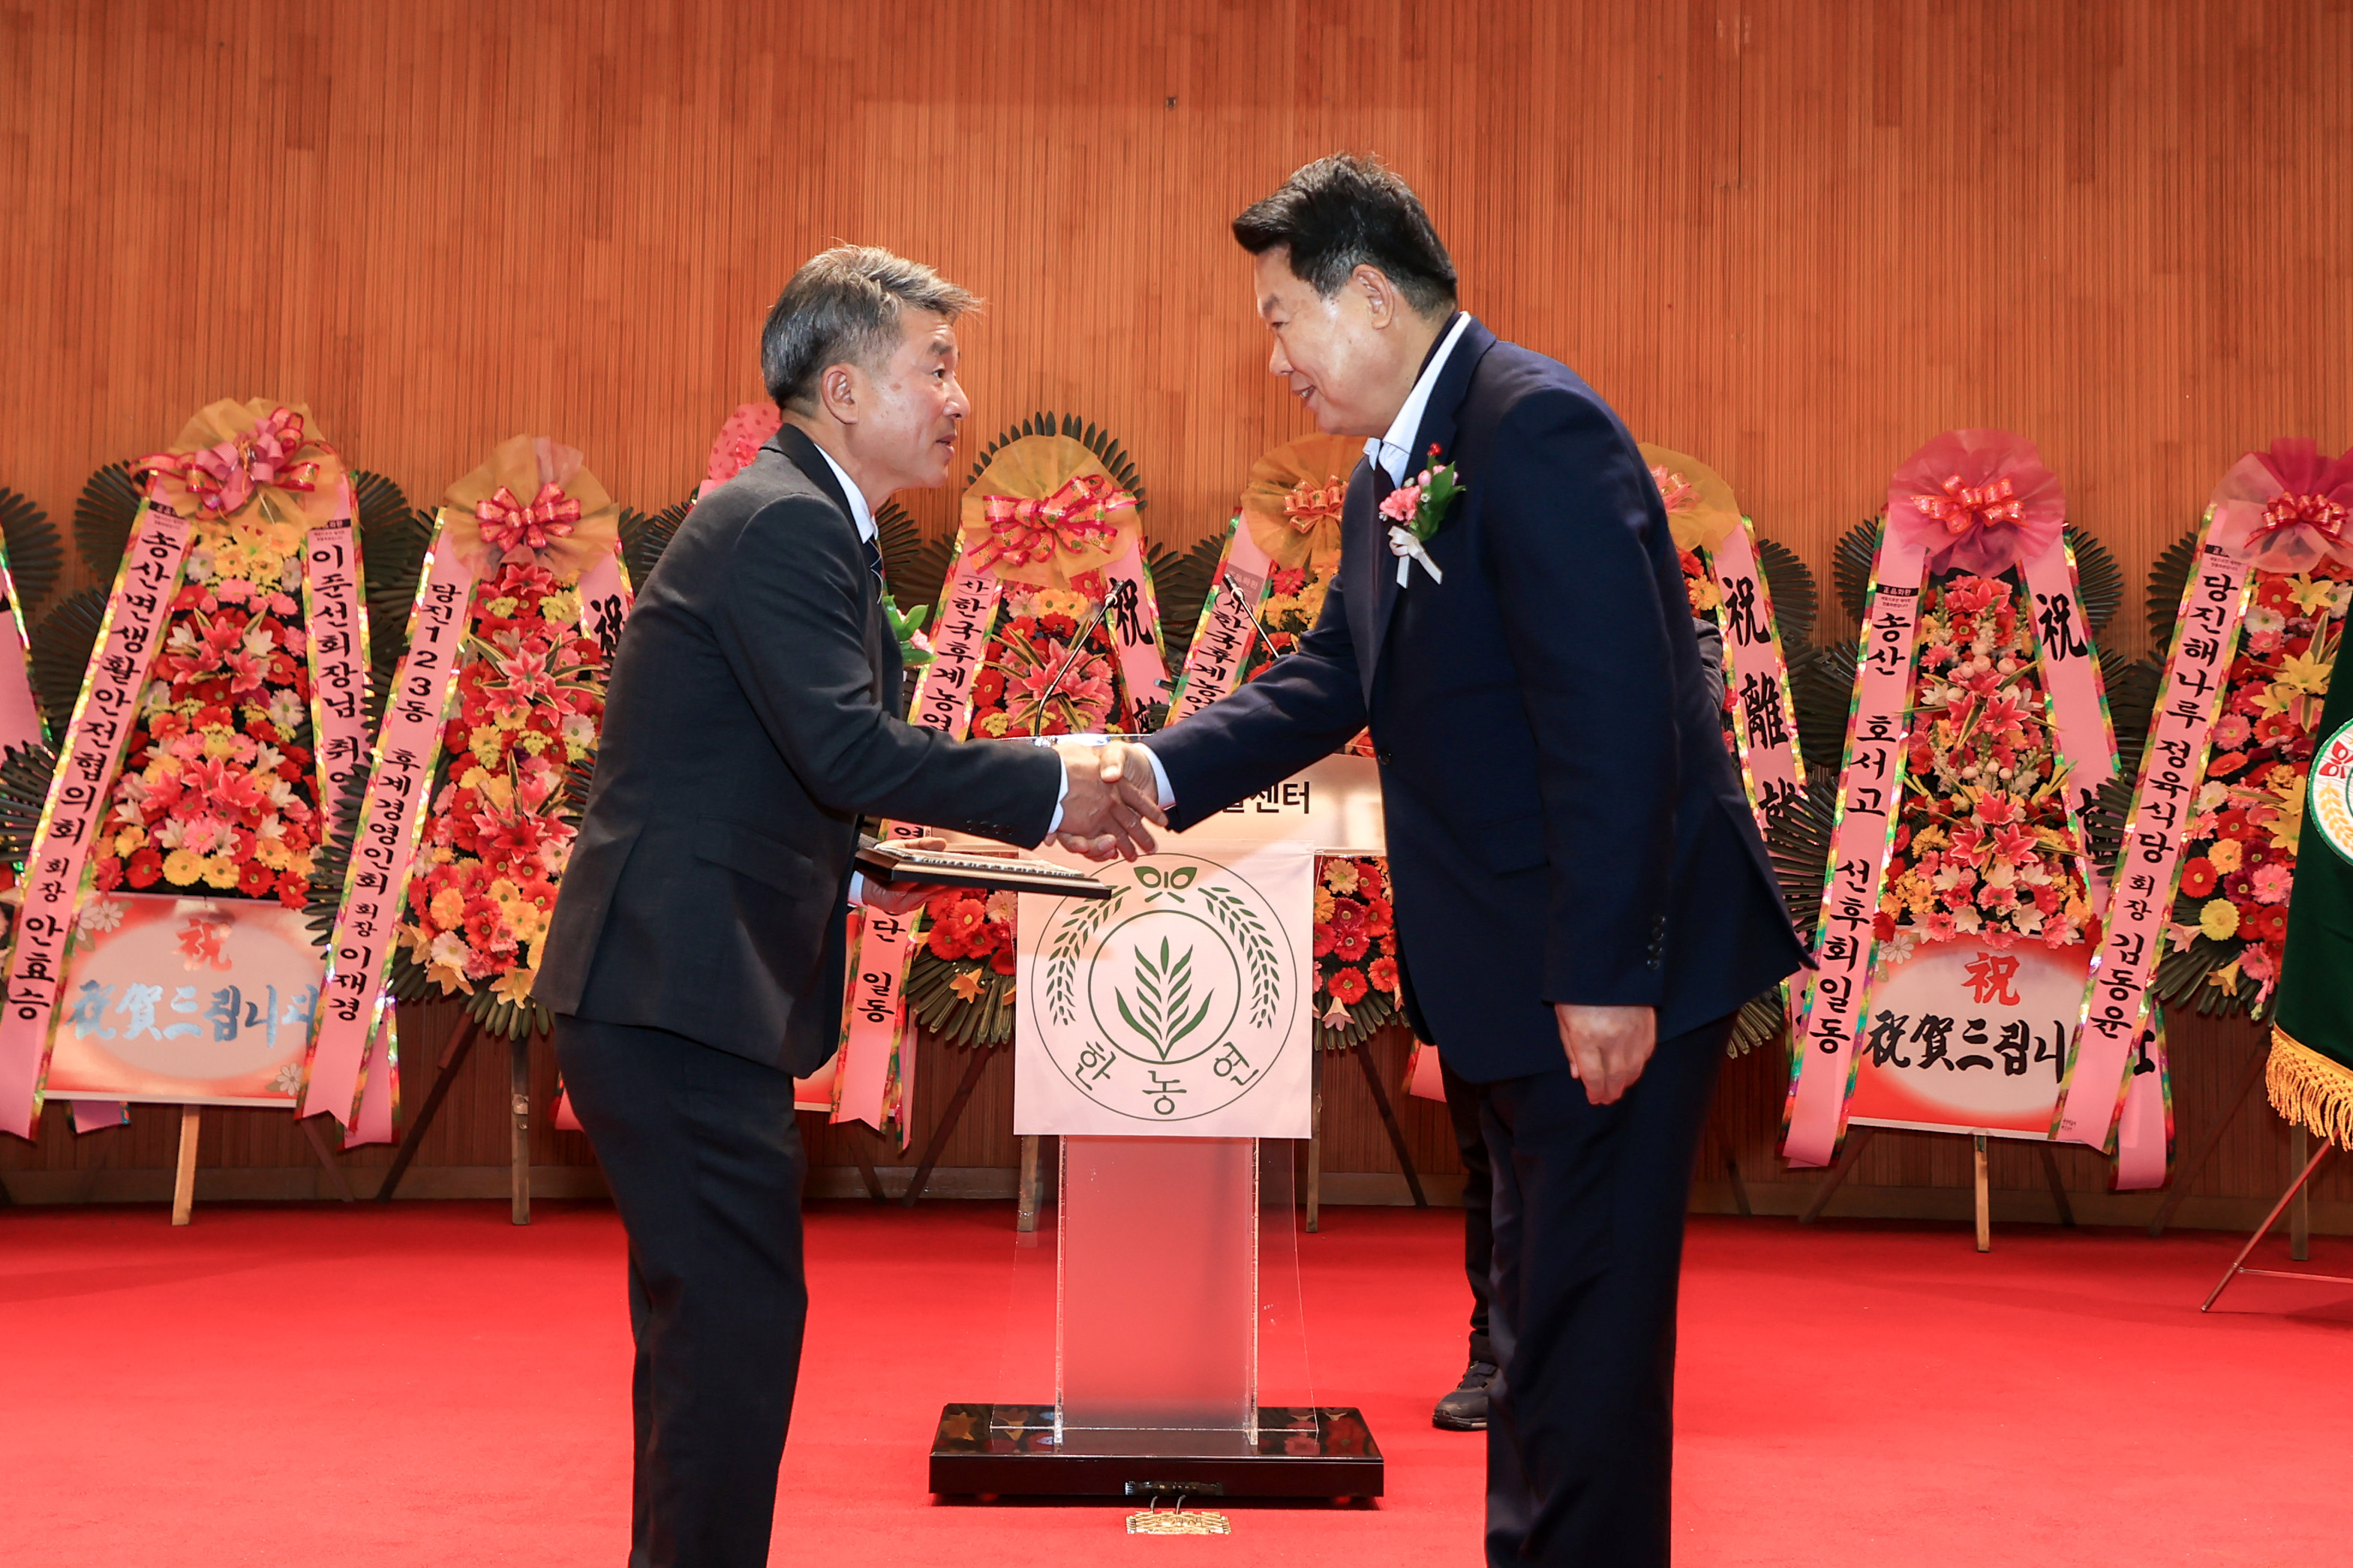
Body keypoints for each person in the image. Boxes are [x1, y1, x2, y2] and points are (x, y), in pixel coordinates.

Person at [1088, 158, 1806, 1565]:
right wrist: (1153, 771)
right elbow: (1334, 673)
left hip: (1599, 972)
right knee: (1538, 1329)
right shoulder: (1395, 468)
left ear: (1368, 293)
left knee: (1583, 1342)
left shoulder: (1533, 428)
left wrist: (1607, 971)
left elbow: (1618, 718)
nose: (1276, 357)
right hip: (1515, 961)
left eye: (1283, 317)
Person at [536, 245, 1159, 1568]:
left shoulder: (807, 517)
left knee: (718, 1341)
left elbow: (778, 771)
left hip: (679, 991)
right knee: (730, 1345)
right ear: (840, 386)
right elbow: (846, 753)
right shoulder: (785, 523)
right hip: (676, 995)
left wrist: (873, 858)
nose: (957, 398)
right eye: (934, 366)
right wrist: (1061, 780)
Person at [1431, 618, 1725, 1435]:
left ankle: (1575, 1360)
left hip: (1610, 945)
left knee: (1588, 1161)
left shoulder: (1670, 628)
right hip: (1489, 925)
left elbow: (1661, 734)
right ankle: (1491, 1348)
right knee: (1486, 1158)